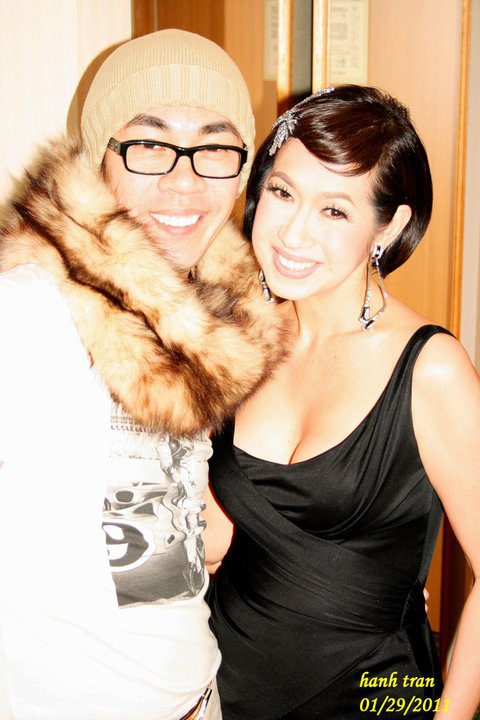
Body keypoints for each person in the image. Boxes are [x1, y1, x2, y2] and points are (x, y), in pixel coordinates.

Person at [0, 29, 287, 720]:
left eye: (213, 147)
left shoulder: (207, 326)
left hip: (199, 696)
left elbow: (165, 549)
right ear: (100, 160)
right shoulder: (31, 311)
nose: (183, 181)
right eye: (150, 144)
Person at [204, 85, 480, 719]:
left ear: (390, 226)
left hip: (378, 697)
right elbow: (215, 540)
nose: (293, 232)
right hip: (222, 688)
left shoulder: (430, 369)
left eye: (334, 210)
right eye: (283, 193)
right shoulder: (243, 337)